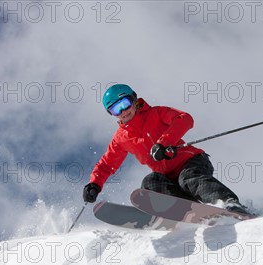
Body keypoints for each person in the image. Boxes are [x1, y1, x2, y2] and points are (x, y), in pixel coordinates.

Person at [82, 83, 251, 215]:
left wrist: (163, 143)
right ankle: (188, 211)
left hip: (191, 163)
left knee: (189, 178)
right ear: (112, 114)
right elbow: (106, 165)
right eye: (115, 109)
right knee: (149, 185)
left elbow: (184, 119)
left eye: (125, 104)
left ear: (134, 99)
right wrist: (94, 184)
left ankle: (229, 203)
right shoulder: (121, 138)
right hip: (168, 178)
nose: (123, 111)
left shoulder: (155, 114)